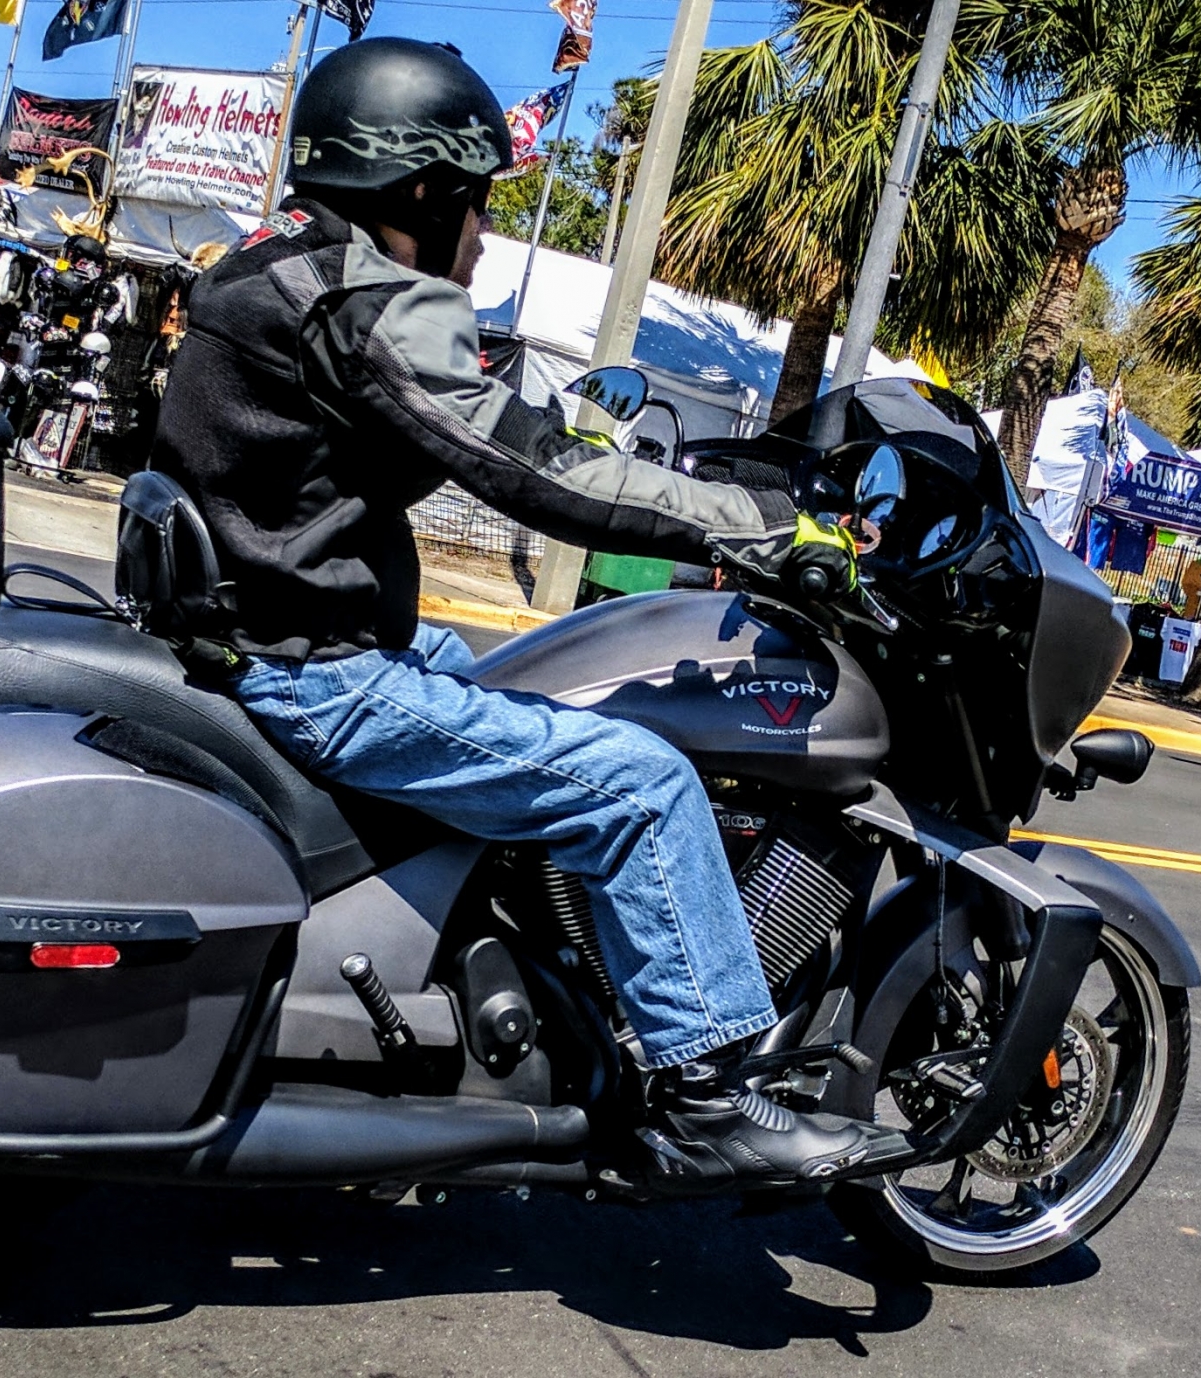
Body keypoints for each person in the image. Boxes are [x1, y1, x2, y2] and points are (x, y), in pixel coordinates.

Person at [150, 37, 885, 1186]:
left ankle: (530, 984)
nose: (484, 234)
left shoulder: (266, 265)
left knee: (543, 690)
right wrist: (748, 521)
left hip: (261, 630)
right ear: (419, 192)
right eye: (476, 203)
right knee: (642, 785)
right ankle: (704, 1094)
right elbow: (537, 472)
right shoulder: (366, 301)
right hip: (319, 669)